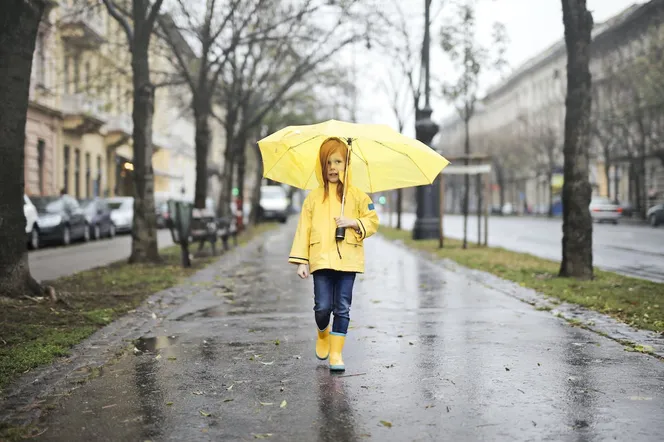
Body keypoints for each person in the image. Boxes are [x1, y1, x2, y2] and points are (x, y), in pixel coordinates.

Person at [288, 137, 379, 372]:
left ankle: (336, 353)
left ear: (347, 165)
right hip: (321, 260)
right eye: (328, 162)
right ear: (322, 166)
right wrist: (301, 261)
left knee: (342, 307)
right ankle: (322, 333)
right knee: (322, 306)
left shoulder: (357, 196)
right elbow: (303, 230)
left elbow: (372, 221)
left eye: (338, 161)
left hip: (348, 260)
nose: (332, 168)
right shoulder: (313, 198)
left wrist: (353, 222)